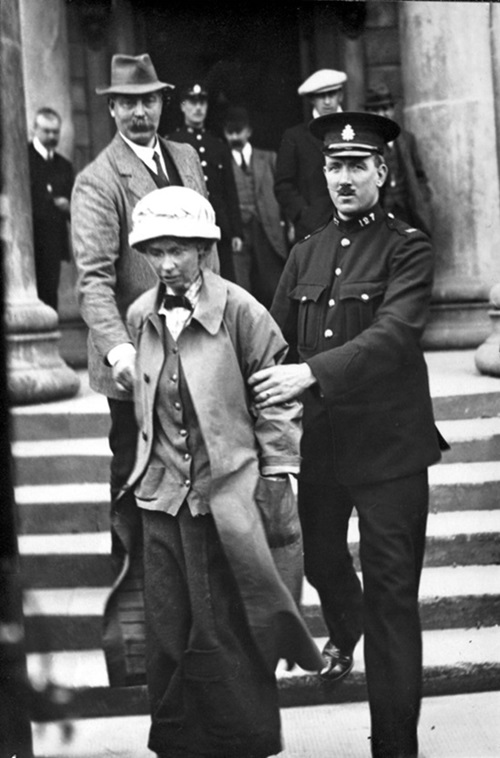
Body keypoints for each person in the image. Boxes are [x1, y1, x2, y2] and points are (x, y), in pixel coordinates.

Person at [249, 111, 448, 758]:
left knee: (394, 602)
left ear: (381, 173)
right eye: (334, 166)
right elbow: (272, 342)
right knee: (323, 561)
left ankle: (394, 748)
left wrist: (309, 374)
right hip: (323, 451)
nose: (342, 178)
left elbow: (393, 337)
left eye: (356, 165)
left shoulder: (408, 247)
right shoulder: (306, 251)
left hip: (391, 452)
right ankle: (345, 622)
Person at [122, 185, 323, 758]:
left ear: (205, 248)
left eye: (179, 249)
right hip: (160, 500)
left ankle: (243, 743)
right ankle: (182, 744)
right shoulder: (141, 314)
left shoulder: (241, 310)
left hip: (227, 500)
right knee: (168, 632)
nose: (167, 264)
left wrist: (279, 474)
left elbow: (278, 399)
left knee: (225, 628)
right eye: (156, 251)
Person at [71, 53, 217, 685]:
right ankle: (132, 647)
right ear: (110, 109)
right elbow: (94, 281)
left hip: (196, 353)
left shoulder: (185, 158)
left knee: (198, 489)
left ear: (163, 102)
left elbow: (206, 248)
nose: (139, 111)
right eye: (126, 102)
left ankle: (203, 634)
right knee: (134, 500)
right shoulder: (98, 180)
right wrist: (119, 350)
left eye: (149, 100)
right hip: (134, 365)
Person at [168, 82, 243, 282]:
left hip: (219, 226)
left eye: (202, 102)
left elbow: (230, 191)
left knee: (224, 282)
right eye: (192, 103)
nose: (198, 108)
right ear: (183, 106)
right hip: (187, 224)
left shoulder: (218, 145)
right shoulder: (172, 143)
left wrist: (236, 231)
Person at [222, 105, 289, 308]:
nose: (234, 136)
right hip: (239, 232)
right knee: (242, 287)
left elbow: (282, 192)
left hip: (267, 228)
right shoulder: (221, 161)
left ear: (249, 131)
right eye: (229, 132)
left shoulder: (268, 158)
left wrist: (288, 223)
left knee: (272, 284)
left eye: (239, 131)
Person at [274, 68, 347, 242]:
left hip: (354, 226)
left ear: (341, 96)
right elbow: (283, 186)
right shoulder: (295, 137)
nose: (328, 101)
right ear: (312, 99)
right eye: (321, 96)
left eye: (332, 94)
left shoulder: (354, 131)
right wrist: (304, 215)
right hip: (313, 230)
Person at [365, 83, 433, 236]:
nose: (383, 114)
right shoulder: (366, 144)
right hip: (380, 211)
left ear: (393, 110)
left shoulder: (407, 140)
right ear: (369, 113)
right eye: (377, 110)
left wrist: (423, 196)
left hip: (407, 209)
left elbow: (419, 174)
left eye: (387, 108)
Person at [28, 107, 74, 311]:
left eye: (55, 131)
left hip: (53, 242)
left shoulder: (64, 165)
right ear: (34, 129)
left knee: (49, 294)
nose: (51, 136)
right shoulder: (22, 159)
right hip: (27, 241)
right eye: (46, 131)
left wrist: (68, 207)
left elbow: (76, 204)